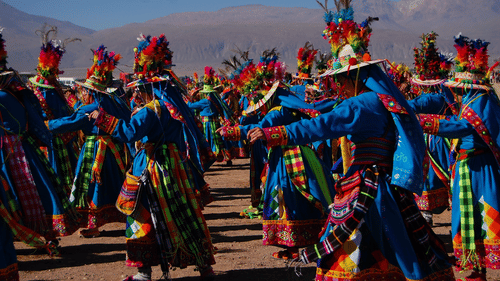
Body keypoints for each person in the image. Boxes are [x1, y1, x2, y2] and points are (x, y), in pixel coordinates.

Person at [248, 1, 454, 280]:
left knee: (362, 243)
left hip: (369, 186)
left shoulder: (363, 104)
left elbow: (323, 125)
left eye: (342, 81)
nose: (340, 88)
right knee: (396, 241)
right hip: (384, 185)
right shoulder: (383, 100)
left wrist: (277, 133)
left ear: (356, 77)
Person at [98, 34, 215, 281]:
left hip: (152, 169)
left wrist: (101, 119)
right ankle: (205, 266)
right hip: (176, 168)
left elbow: (127, 132)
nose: (137, 94)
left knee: (141, 215)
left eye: (139, 90)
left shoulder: (151, 110)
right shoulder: (173, 107)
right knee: (185, 214)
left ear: (146, 88)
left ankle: (144, 272)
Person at [219, 50, 336, 260]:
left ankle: (293, 243)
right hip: (299, 156)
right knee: (300, 197)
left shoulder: (277, 112)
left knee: (286, 197)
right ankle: (306, 241)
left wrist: (234, 131)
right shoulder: (286, 106)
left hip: (288, 161)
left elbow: (260, 127)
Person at [417, 34, 500, 281]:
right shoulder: (472, 100)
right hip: (466, 169)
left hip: (480, 169)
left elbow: (461, 127)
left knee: (485, 214)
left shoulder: (481, 101)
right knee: (467, 218)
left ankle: (481, 268)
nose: (455, 91)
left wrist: (423, 122)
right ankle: (476, 269)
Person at [47, 46, 130, 238]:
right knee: (118, 182)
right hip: (115, 149)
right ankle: (128, 218)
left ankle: (94, 225)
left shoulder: (91, 108)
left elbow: (70, 122)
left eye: (85, 90)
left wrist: (46, 124)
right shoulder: (116, 103)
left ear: (91, 90)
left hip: (94, 151)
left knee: (92, 185)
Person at [28, 24, 81, 193]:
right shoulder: (44, 90)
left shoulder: (52, 88)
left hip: (58, 138)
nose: (55, 74)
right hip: (52, 140)